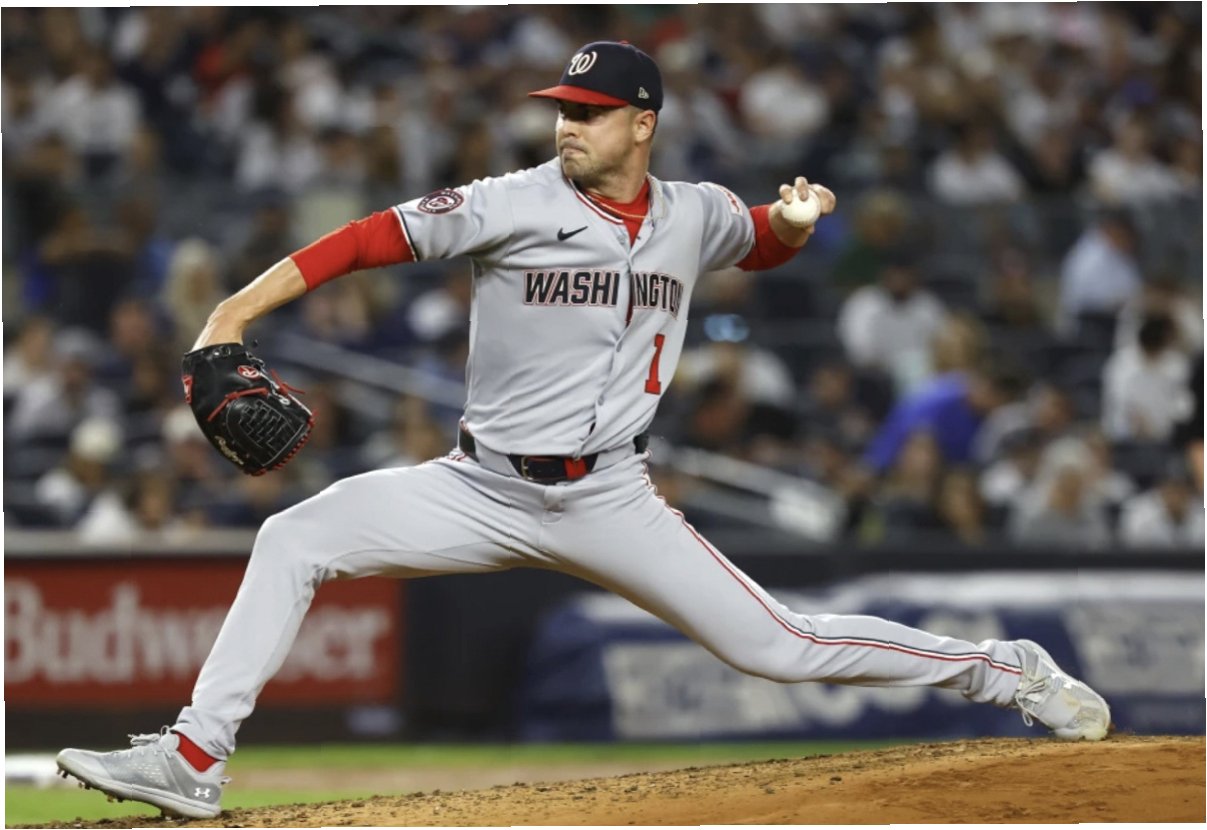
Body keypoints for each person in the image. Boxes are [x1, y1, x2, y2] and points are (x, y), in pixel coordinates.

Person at [56, 41, 1111, 820]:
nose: (568, 125)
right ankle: (195, 756)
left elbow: (753, 239)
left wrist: (788, 227)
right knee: (293, 536)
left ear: (642, 124)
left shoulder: (693, 211)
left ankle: (1003, 669)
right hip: (478, 486)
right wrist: (232, 312)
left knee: (777, 646)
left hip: (610, 494)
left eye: (592, 112)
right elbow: (366, 240)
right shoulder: (509, 201)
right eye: (564, 108)